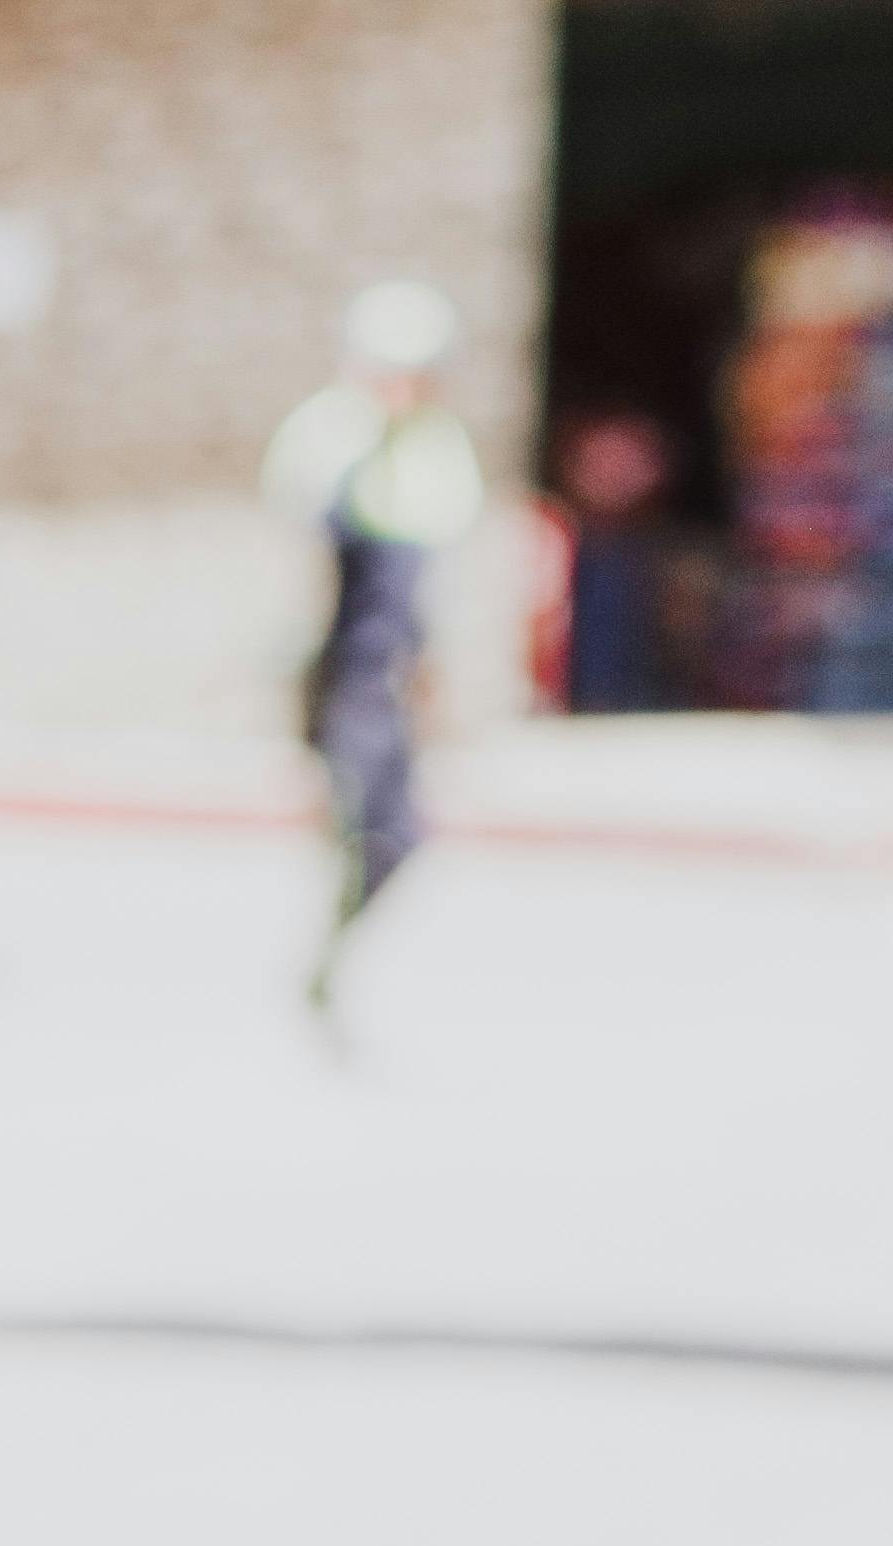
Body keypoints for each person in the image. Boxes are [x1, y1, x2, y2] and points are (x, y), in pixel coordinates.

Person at [263, 278, 483, 1008]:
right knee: (350, 820)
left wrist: (435, 691)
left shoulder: (436, 447)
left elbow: (426, 594)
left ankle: (331, 954)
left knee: (397, 835)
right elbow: (305, 580)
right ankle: (320, 964)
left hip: (386, 675)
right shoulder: (329, 438)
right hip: (343, 673)